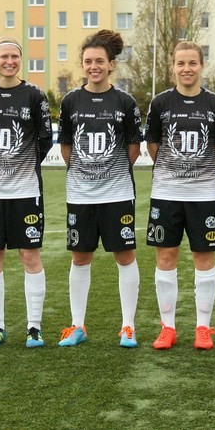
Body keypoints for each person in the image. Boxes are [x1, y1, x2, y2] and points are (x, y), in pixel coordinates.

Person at [57, 29, 143, 348]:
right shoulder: (71, 101)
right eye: (88, 61)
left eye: (99, 61)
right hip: (80, 194)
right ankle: (77, 325)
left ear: (111, 65)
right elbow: (66, 146)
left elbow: (133, 147)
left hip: (117, 193)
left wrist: (110, 172)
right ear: (82, 65)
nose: (94, 66)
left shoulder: (124, 102)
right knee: (81, 257)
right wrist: (86, 172)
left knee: (125, 255)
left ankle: (128, 327)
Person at [145, 42, 215, 350]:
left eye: (192, 63)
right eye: (180, 63)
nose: (186, 68)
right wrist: (175, 168)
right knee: (166, 257)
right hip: (166, 192)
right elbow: (153, 144)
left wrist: (200, 168)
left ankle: (203, 328)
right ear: (173, 67)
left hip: (203, 193)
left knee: (203, 258)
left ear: (201, 65)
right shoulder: (160, 102)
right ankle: (167, 328)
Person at [0, 37, 53, 349]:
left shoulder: (34, 94)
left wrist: (20, 165)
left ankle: (34, 328)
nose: (9, 61)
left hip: (25, 190)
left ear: (21, 60)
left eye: (14, 56)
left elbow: (44, 138)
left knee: (29, 255)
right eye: (3, 56)